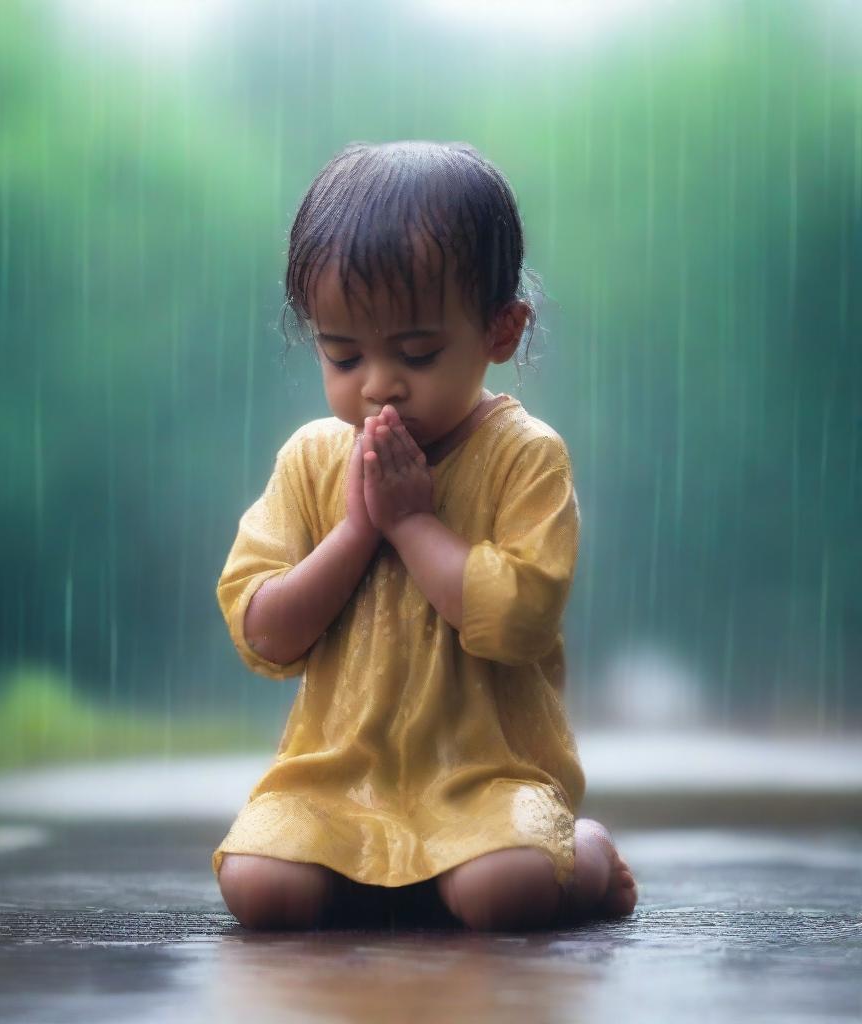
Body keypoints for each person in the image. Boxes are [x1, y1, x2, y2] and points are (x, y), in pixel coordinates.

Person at [211, 140, 638, 932]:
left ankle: (580, 851)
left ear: (501, 331)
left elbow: (517, 625)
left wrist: (413, 525)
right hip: (335, 780)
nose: (377, 383)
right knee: (259, 889)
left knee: (500, 893)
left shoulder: (525, 457)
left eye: (416, 352)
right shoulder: (312, 459)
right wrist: (354, 533)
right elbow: (264, 630)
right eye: (343, 355)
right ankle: (374, 872)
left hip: (485, 781)